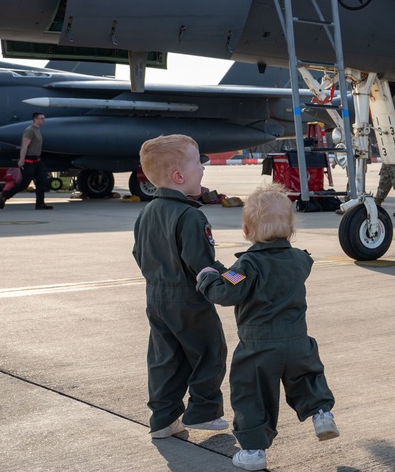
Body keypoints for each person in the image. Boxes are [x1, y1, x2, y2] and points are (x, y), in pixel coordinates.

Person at [197, 182, 338, 472]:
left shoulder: (247, 265)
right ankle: (321, 413)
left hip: (259, 348)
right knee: (307, 377)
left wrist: (209, 277)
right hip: (298, 342)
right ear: (291, 230)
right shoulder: (300, 260)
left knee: (252, 394)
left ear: (247, 231)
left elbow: (226, 292)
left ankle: (253, 451)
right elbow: (299, 264)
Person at [132, 134, 229, 439]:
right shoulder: (190, 216)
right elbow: (202, 266)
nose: (203, 168)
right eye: (198, 161)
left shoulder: (146, 212)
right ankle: (203, 411)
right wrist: (237, 277)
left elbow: (139, 253)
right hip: (188, 299)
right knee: (209, 351)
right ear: (179, 176)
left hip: (156, 297)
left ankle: (163, 419)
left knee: (166, 359)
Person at [0, 111, 53, 210]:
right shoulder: (29, 131)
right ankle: (5, 196)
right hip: (28, 161)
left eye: (43, 118)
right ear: (35, 119)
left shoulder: (37, 130)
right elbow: (24, 146)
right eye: (41, 118)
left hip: (37, 161)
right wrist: (21, 160)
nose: (43, 120)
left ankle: (40, 204)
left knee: (42, 181)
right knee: (24, 184)